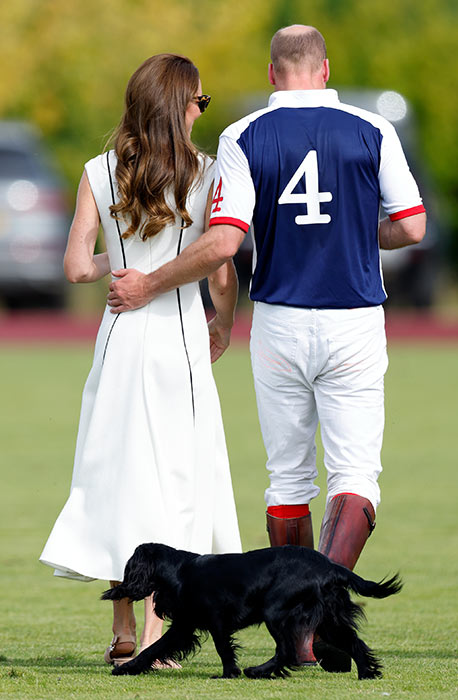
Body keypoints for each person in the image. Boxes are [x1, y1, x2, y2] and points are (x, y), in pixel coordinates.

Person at [105, 26, 426, 665]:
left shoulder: (243, 135)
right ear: (325, 69)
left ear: (273, 73)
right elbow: (412, 225)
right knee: (356, 474)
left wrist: (150, 283)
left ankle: (306, 632)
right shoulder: (373, 128)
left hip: (278, 320)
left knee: (287, 476)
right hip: (356, 319)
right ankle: (318, 622)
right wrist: (362, 236)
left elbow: (224, 243)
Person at [39, 53, 241, 668]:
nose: (201, 111)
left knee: (115, 475)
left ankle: (123, 627)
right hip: (177, 338)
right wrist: (225, 323)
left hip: (118, 339)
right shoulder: (206, 172)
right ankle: (157, 635)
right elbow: (220, 262)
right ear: (179, 105)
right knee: (175, 483)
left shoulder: (98, 170)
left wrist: (120, 259)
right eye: (199, 101)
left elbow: (76, 267)